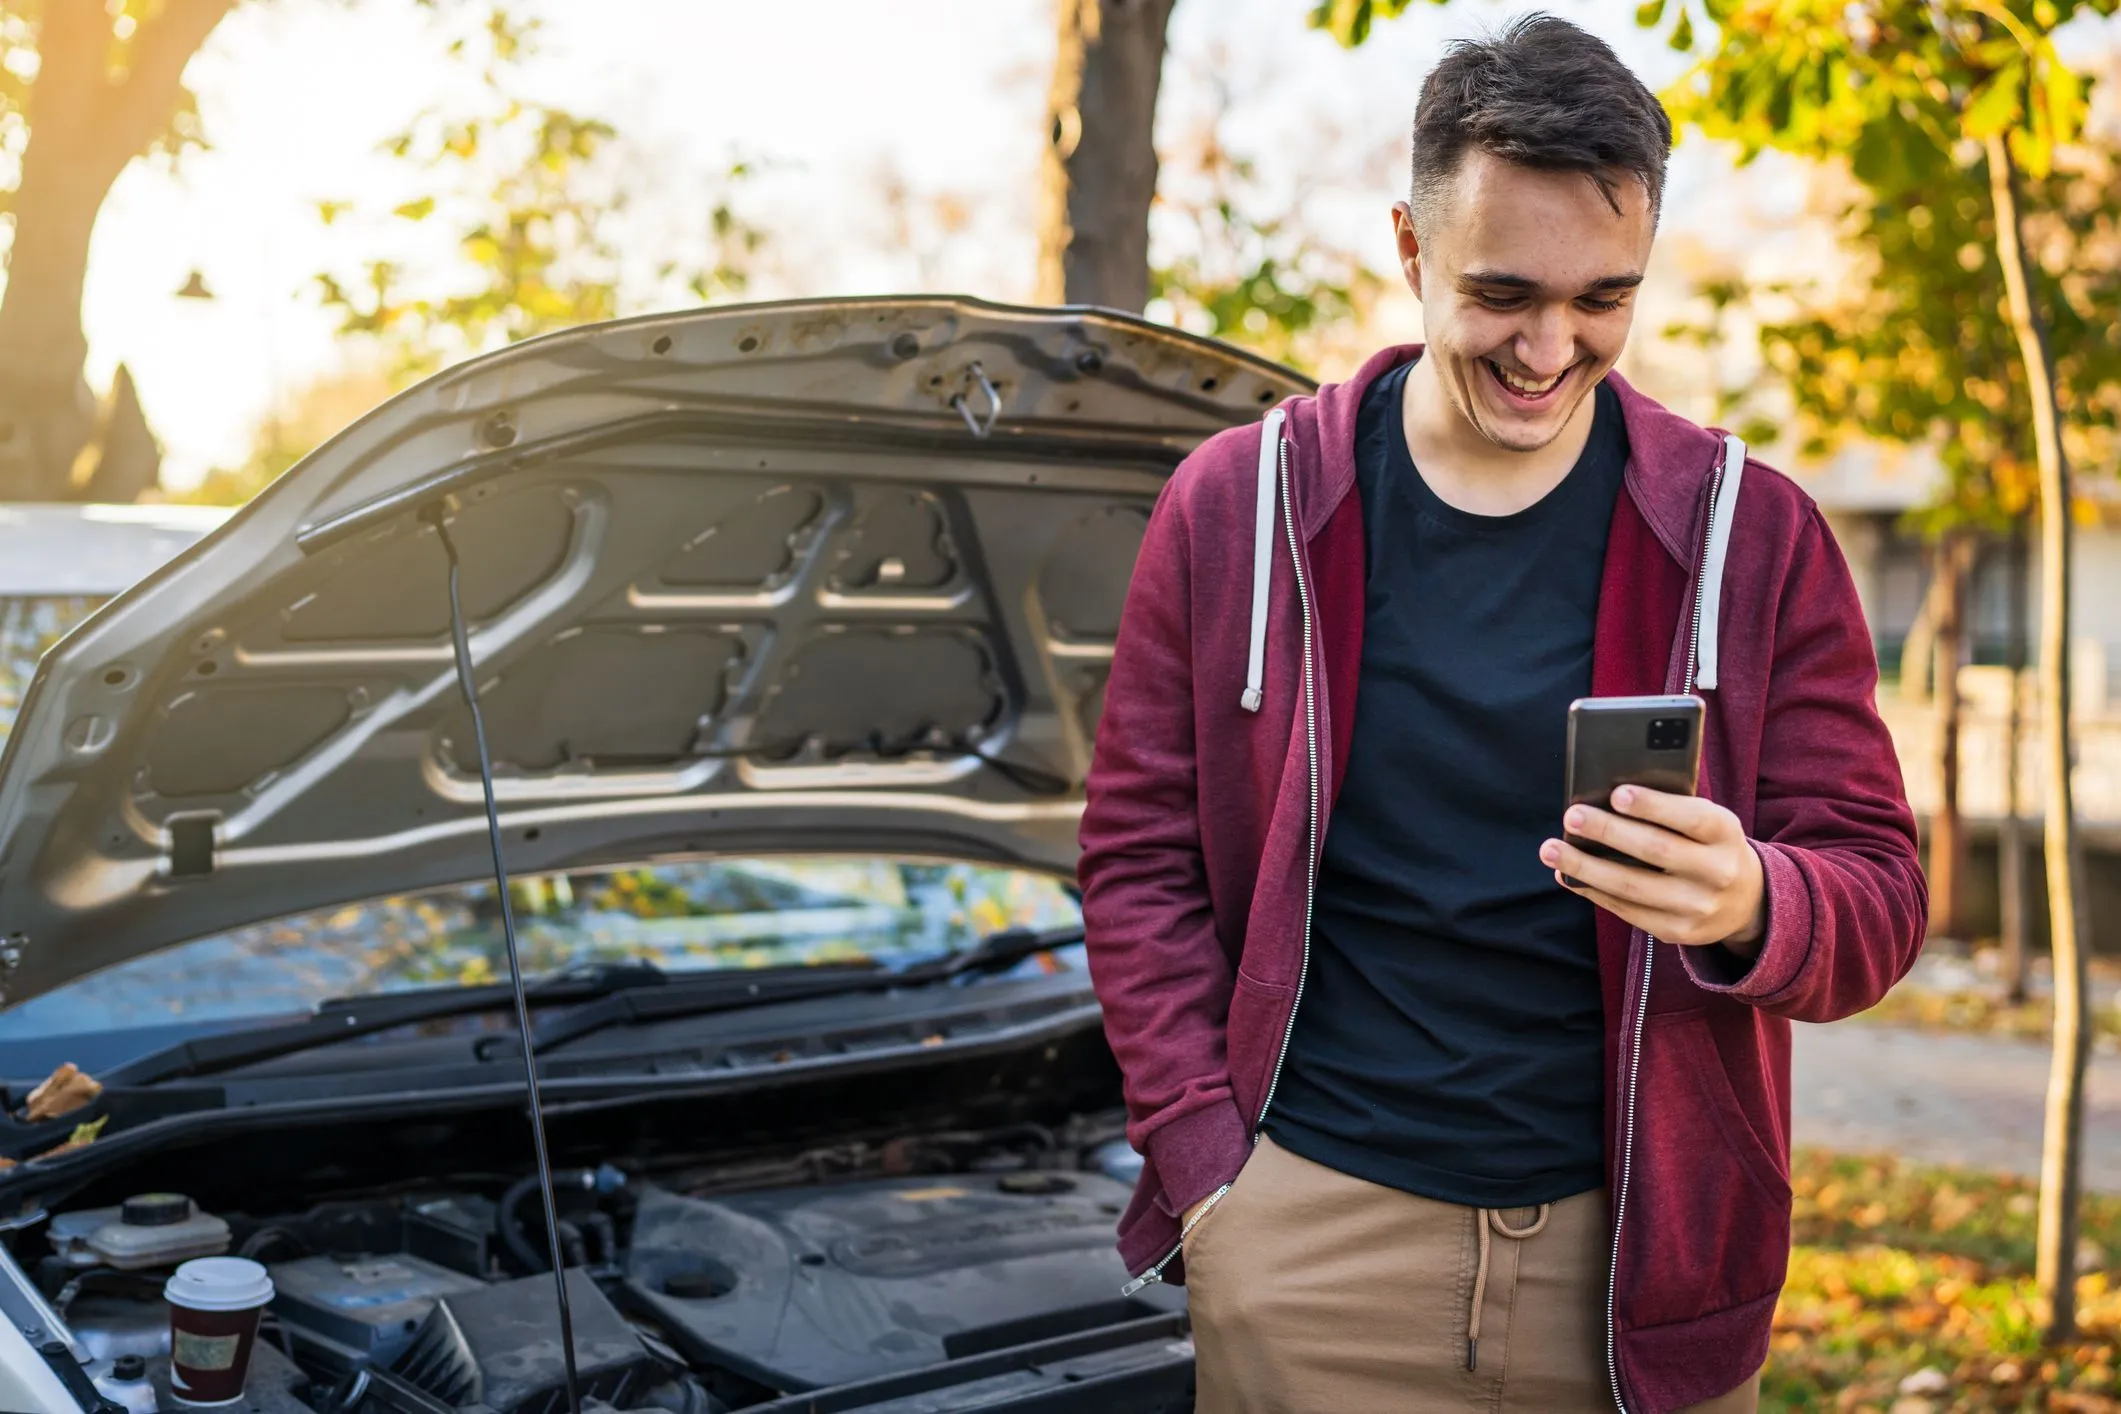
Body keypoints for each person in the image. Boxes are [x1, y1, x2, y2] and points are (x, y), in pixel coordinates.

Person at [1076, 14, 1925, 1413]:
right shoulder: (1236, 508)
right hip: (1308, 1246)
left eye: (1603, 298)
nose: (1548, 347)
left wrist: (1754, 901)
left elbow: (1881, 895)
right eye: (1503, 292)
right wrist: (1209, 1173)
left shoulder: (1754, 536)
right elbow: (1136, 859)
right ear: (1411, 249)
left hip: (1645, 1266)